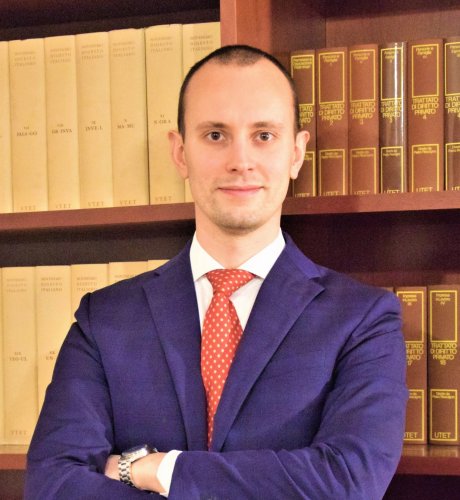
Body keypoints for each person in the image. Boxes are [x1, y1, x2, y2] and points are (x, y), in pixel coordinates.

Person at [25, 44, 408, 499]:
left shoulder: (363, 320)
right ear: (180, 152)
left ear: (296, 153)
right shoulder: (104, 319)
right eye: (215, 135)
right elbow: (53, 484)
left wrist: (158, 470)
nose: (240, 161)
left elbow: (347, 483)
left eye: (263, 135)